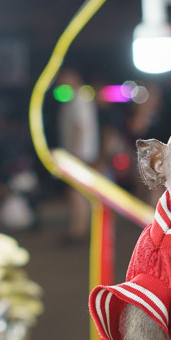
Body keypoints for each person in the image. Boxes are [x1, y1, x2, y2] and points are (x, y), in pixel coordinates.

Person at [56, 67, 99, 241]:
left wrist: (74, 154)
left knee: (76, 193)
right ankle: (80, 228)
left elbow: (79, 127)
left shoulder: (78, 99)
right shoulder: (81, 97)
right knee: (80, 192)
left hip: (79, 154)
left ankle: (78, 230)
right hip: (82, 153)